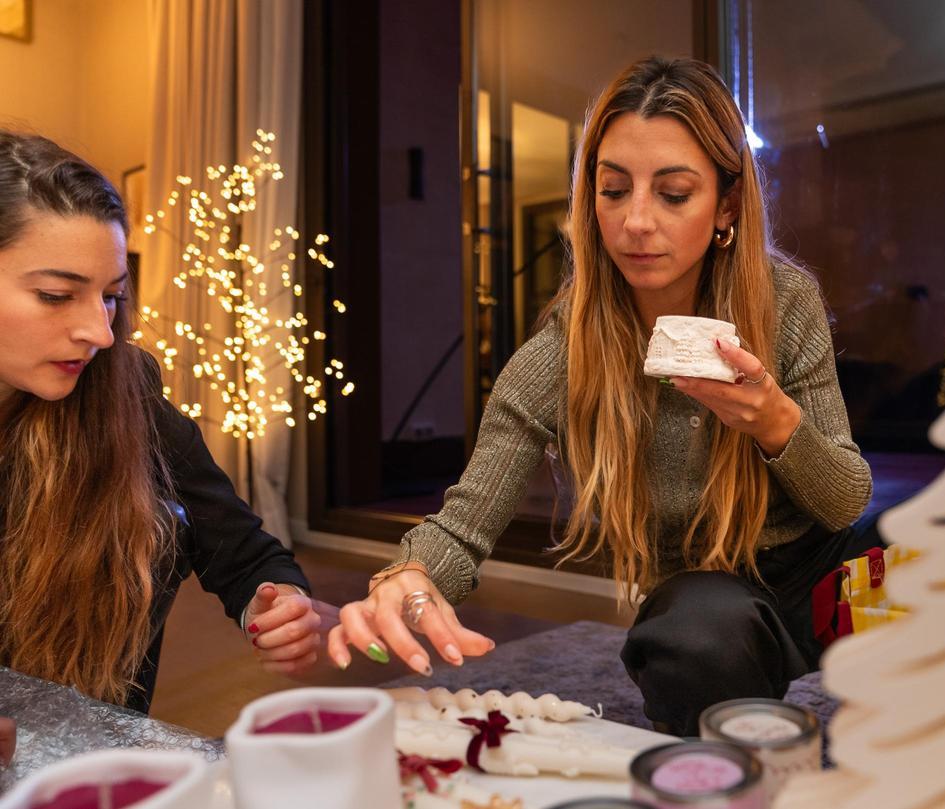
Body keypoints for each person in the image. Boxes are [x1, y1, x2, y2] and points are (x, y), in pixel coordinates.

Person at [329, 56, 877, 735]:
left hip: (822, 572)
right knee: (695, 638)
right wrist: (407, 578)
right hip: (710, 597)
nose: (636, 221)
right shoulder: (569, 348)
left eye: (673, 193)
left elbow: (845, 501)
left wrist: (775, 421)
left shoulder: (785, 302)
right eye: (613, 189)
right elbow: (466, 519)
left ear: (727, 205)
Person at [0, 132, 325, 729]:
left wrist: (280, 604)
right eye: (56, 295)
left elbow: (244, 555)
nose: (100, 333)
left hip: (93, 752)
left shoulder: (126, 393)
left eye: (111, 296)